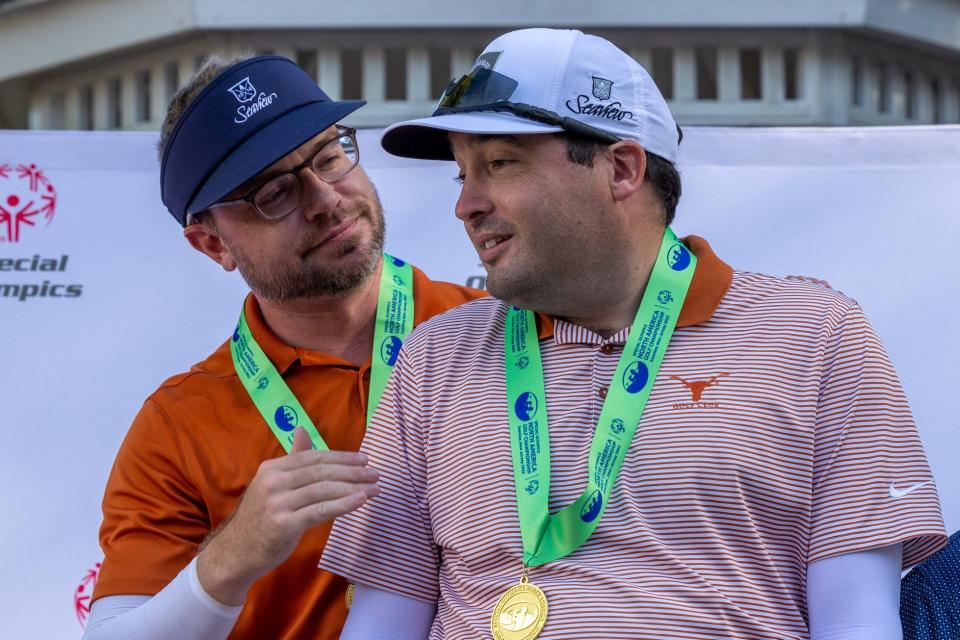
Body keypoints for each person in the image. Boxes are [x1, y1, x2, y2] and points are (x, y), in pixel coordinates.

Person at [320, 28, 948, 639]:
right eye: (463, 174)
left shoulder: (816, 333)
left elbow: (859, 621)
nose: (467, 205)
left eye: (500, 164)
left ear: (621, 169)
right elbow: (382, 620)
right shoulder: (433, 357)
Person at [84, 55, 481, 640]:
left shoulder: (500, 330)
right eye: (274, 193)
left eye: (329, 156)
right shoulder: (178, 426)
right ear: (211, 244)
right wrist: (231, 557)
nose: (325, 198)